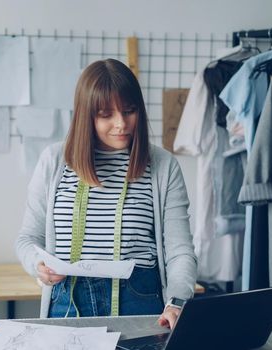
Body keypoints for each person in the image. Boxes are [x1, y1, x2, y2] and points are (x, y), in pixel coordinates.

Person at [15, 58, 197, 329]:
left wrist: (177, 301)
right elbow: (28, 239)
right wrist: (37, 264)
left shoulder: (162, 165)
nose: (121, 123)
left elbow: (180, 251)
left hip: (139, 300)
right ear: (86, 115)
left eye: (129, 110)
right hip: (67, 301)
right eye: (105, 115)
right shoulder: (54, 162)